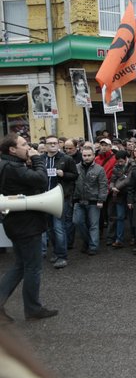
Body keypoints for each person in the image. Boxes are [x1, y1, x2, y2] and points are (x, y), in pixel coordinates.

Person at [0, 134, 59, 323]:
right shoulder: (14, 167)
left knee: (20, 265)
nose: (28, 147)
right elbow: (41, 180)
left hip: (16, 224)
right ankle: (33, 309)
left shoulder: (5, 164)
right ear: (12, 150)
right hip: (27, 226)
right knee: (33, 268)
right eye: (24, 144)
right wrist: (37, 159)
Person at [41, 135, 77, 269]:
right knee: (49, 227)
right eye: (49, 143)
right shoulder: (41, 159)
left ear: (58, 144)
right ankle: (56, 252)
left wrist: (64, 174)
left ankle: (62, 256)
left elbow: (75, 176)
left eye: (55, 143)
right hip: (44, 198)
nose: (52, 145)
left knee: (59, 227)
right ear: (45, 145)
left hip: (60, 197)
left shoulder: (66, 159)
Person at [73, 147, 109, 255]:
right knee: (77, 222)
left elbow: (103, 185)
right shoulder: (76, 168)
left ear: (93, 155)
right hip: (79, 200)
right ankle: (87, 241)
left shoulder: (99, 169)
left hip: (93, 201)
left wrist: (101, 200)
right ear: (82, 155)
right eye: (84, 155)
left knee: (93, 225)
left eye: (89, 155)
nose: (87, 157)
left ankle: (93, 247)